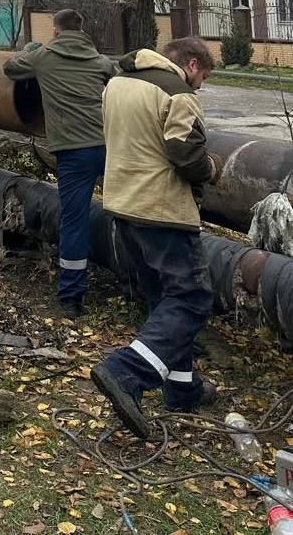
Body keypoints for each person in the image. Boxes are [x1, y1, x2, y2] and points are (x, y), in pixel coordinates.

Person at [90, 37, 223, 439]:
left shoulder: (118, 83)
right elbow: (185, 154)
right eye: (204, 77)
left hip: (122, 202)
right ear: (193, 64)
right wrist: (212, 169)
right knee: (192, 297)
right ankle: (126, 370)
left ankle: (181, 388)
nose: (201, 85)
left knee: (163, 298)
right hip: (162, 209)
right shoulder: (177, 92)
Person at [4, 9, 114, 319]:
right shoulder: (98, 60)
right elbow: (117, 78)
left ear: (55, 31)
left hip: (73, 151)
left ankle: (71, 298)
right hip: (108, 146)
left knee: (74, 220)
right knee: (129, 213)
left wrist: (30, 49)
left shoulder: (45, 57)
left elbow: (11, 68)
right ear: (82, 30)